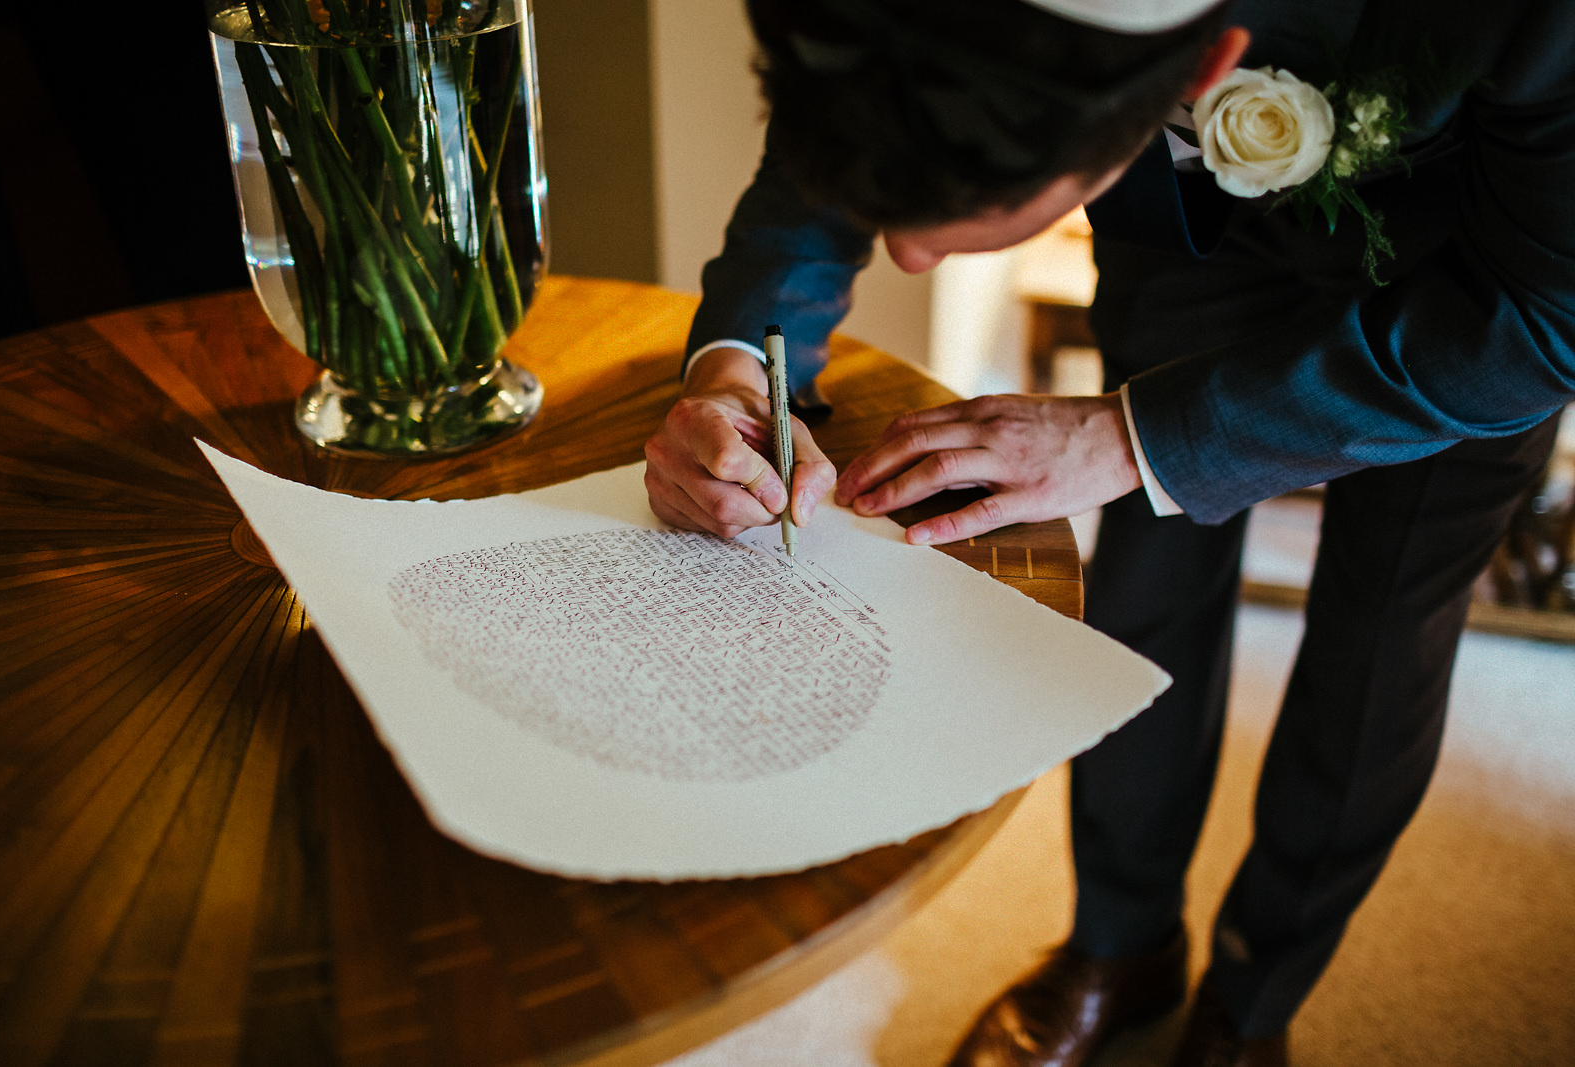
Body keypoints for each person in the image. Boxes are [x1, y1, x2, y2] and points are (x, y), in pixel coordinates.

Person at [642, 1, 1575, 1064]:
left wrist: (1136, 438)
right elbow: (855, 102)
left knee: (1382, 637)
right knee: (1145, 590)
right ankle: (1119, 944)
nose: (902, 257)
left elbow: (1549, 314)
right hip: (1184, 231)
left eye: (962, 210)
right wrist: (732, 364)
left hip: (1475, 281)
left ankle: (1255, 997)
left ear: (1206, 59)